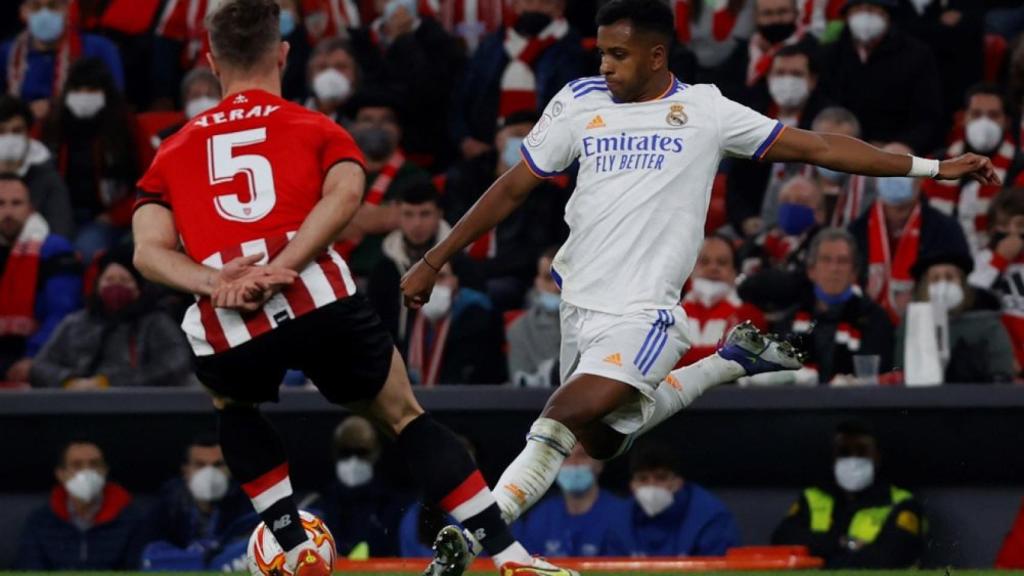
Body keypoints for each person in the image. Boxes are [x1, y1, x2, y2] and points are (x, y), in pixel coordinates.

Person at [401, 0, 994, 569]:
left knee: (561, 414)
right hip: (578, 307)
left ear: (657, 56)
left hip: (646, 313)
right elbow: (511, 187)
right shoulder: (579, 101)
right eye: (601, 52)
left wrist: (933, 168)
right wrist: (434, 259)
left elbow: (818, 146)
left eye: (617, 54)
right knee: (602, 441)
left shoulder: (707, 111)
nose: (604, 65)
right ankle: (728, 361)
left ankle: (481, 531)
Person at [131, 3, 569, 576]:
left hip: (229, 317)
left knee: (234, 405)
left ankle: (290, 541)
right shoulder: (315, 127)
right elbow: (344, 197)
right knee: (405, 416)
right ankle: (510, 558)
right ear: (284, 53)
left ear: (211, 61)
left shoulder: (171, 150)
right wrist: (284, 266)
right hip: (318, 296)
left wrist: (218, 281)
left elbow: (147, 252)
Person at [444, 110, 566, 309]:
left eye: (533, 137)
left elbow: (533, 251)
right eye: (517, 135)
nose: (525, 142)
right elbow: (449, 227)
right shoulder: (465, 177)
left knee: (493, 292)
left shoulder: (547, 194)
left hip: (511, 278)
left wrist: (478, 272)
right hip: (459, 268)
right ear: (499, 138)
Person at [29, 243, 193, 389]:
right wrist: (69, 381)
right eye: (109, 280)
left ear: (138, 288)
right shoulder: (75, 323)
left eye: (124, 280)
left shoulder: (155, 322)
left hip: (137, 408)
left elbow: (177, 363)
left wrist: (110, 383)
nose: (116, 286)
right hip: (77, 405)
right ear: (98, 285)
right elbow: (40, 366)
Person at [772, 420, 926, 568]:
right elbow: (782, 539)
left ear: (877, 457)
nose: (853, 459)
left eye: (862, 451)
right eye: (844, 452)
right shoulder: (813, 497)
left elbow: (890, 557)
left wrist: (823, 556)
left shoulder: (901, 502)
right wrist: (844, 543)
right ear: (834, 458)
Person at [849, 148, 972, 323]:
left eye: (901, 166)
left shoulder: (946, 229)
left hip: (929, 324)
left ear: (921, 179)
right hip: (865, 327)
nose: (893, 175)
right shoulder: (855, 231)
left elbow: (960, 290)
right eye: (885, 167)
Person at [452, 0, 586, 160]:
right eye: (528, 2)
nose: (535, 8)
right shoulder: (490, 47)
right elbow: (460, 101)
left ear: (560, 8)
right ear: (514, 4)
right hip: (486, 153)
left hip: (550, 157)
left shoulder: (573, 53)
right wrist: (465, 140)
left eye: (545, 3)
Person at [725, 43, 831, 236]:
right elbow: (736, 183)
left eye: (796, 74)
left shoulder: (825, 122)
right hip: (756, 224)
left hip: (810, 224)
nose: (787, 80)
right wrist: (745, 219)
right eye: (780, 73)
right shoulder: (751, 120)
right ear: (769, 78)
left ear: (813, 80)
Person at [43, 57, 140, 263]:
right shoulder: (51, 126)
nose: (84, 97)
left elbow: (150, 182)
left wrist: (116, 216)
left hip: (105, 217)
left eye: (91, 91)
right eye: (78, 90)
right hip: (55, 214)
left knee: (84, 252)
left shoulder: (126, 128)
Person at [819, 0, 941, 154]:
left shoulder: (917, 56)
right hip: (839, 149)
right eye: (858, 10)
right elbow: (821, 101)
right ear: (848, 15)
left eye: (872, 9)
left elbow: (927, 114)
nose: (865, 16)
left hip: (893, 153)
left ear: (887, 14)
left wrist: (906, 144)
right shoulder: (831, 55)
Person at [783, 228, 893, 385]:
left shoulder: (875, 320)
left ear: (854, 272)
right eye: (826, 260)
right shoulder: (789, 322)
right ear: (811, 271)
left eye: (842, 261)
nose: (834, 268)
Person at [15, 439, 147, 570]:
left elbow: (137, 568)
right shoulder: (40, 521)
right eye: (77, 465)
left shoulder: (131, 521)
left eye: (94, 464)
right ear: (61, 474)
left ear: (105, 471)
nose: (87, 472)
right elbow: (29, 568)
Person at [921, 84, 1022, 253]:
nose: (984, 122)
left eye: (993, 115)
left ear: (1006, 122)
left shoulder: (1019, 166)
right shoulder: (938, 161)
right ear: (964, 118)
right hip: (943, 257)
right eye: (976, 114)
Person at [0, 174, 80, 385]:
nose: (8, 212)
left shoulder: (54, 249)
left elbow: (62, 312)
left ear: (31, 208)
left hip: (37, 356)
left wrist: (33, 357)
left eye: (16, 203)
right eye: (1, 204)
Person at [370, 0, 465, 169]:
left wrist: (403, 40)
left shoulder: (439, 39)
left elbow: (433, 92)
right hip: (372, 148)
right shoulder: (363, 38)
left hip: (428, 149)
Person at [895, 251, 1014, 384]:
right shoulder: (912, 322)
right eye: (935, 279)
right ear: (925, 287)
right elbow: (899, 369)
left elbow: (1002, 373)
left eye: (950, 277)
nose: (943, 285)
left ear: (962, 284)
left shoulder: (988, 325)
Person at [0, 0, 125, 119]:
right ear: (23, 12)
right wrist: (24, 112)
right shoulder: (7, 53)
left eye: (53, 6)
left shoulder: (100, 48)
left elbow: (114, 101)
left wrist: (57, 108)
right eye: (36, 7)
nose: (45, 14)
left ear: (67, 9)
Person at [141, 435, 251, 570]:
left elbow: (249, 551)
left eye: (218, 465)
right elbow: (148, 557)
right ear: (186, 470)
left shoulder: (248, 502)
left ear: (230, 469)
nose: (210, 473)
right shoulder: (167, 504)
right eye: (200, 465)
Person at [513, 444, 631, 557]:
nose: (574, 463)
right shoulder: (542, 516)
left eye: (582, 456)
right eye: (565, 457)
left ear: (599, 464)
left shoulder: (622, 514)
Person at [368, 181, 450, 342]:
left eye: (425, 214)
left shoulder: (458, 260)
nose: (417, 224)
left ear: (439, 214)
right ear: (398, 216)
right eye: (408, 214)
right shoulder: (384, 268)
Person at [623, 443, 739, 556]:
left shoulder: (712, 517)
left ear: (678, 482)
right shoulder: (619, 516)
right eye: (643, 479)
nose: (652, 485)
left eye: (661, 477)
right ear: (632, 485)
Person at [401, 261, 506, 385]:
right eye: (426, 278)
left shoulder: (477, 315)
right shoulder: (412, 316)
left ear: (455, 281)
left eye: (441, 277)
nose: (433, 284)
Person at [321, 416, 407, 557]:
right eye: (345, 452)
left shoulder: (393, 504)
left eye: (361, 452)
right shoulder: (323, 502)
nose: (353, 460)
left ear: (376, 452)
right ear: (335, 453)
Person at [708, 0, 819, 110]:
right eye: (767, 13)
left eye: (782, 12)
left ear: (796, 13)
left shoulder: (812, 49)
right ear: (756, 16)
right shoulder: (743, 49)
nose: (776, 19)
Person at [680, 236, 766, 366]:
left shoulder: (750, 315)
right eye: (704, 262)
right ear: (691, 270)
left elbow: (738, 360)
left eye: (722, 262)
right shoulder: (671, 314)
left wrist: (682, 357)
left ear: (734, 272)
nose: (713, 268)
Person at [0, 94, 73, 238]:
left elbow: (61, 232)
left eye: (16, 131)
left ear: (28, 134)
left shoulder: (48, 178)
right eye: (1, 132)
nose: (8, 139)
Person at [969, 188, 1024, 371]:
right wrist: (1000, 260)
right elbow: (973, 297)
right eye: (1002, 225)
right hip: (998, 354)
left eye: (1019, 225)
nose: (1011, 233)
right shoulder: (984, 258)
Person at [507, 248, 562, 387]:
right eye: (549, 278)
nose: (557, 287)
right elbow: (519, 385)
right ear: (537, 282)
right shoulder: (519, 328)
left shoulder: (596, 323)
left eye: (563, 278)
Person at [152, 68, 224, 150]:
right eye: (196, 95)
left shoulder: (230, 131)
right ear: (185, 100)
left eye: (210, 94)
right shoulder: (166, 139)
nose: (204, 100)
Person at [305, 37, 360, 123]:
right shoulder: (290, 111)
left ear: (355, 73)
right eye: (322, 67)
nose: (331, 74)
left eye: (341, 67)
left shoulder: (362, 119)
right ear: (310, 73)